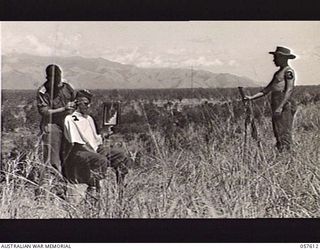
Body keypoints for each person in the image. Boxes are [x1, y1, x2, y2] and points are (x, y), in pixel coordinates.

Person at [63, 89, 132, 192]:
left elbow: (95, 140)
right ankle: (95, 190)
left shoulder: (89, 118)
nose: (88, 106)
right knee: (101, 160)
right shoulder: (71, 118)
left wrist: (105, 133)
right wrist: (97, 154)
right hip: (80, 152)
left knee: (122, 156)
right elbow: (78, 143)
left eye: (89, 103)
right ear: (78, 102)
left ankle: (121, 188)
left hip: (93, 149)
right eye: (86, 103)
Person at [244, 46, 297, 152]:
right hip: (276, 102)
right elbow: (266, 90)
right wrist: (251, 98)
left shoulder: (288, 71)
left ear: (282, 57)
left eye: (276, 57)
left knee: (284, 132)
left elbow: (289, 90)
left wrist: (280, 106)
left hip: (284, 103)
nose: (274, 60)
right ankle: (281, 154)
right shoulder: (278, 73)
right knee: (278, 131)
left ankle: (288, 157)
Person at [37, 64, 76, 172]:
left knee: (70, 152)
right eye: (55, 78)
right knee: (52, 157)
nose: (58, 81)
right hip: (52, 124)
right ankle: (53, 180)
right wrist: (63, 109)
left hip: (68, 122)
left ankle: (69, 178)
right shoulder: (43, 91)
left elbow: (74, 101)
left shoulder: (67, 87)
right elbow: (44, 112)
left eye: (59, 77)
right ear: (48, 78)